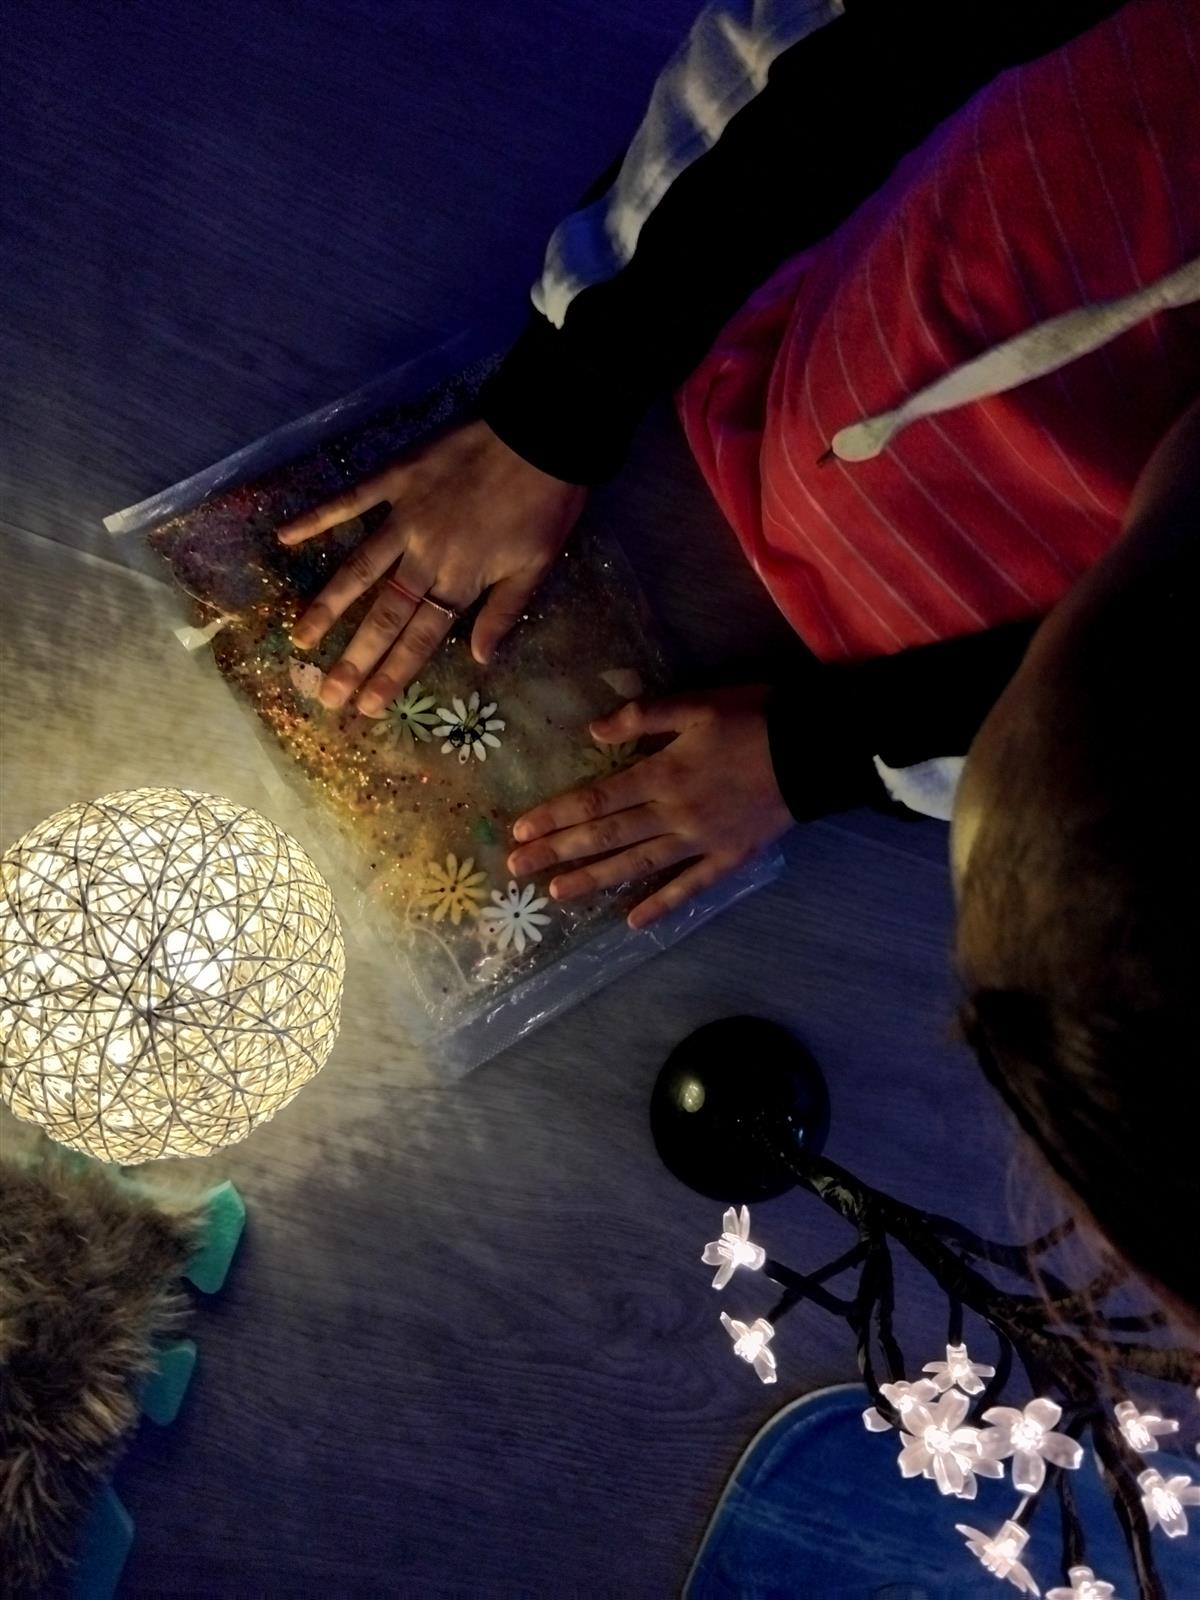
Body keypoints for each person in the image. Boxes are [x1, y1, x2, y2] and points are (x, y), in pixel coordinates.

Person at [277, 0, 1200, 1311]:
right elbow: (831, 44)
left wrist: (823, 757)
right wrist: (561, 404)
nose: (952, 759)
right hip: (820, 300)